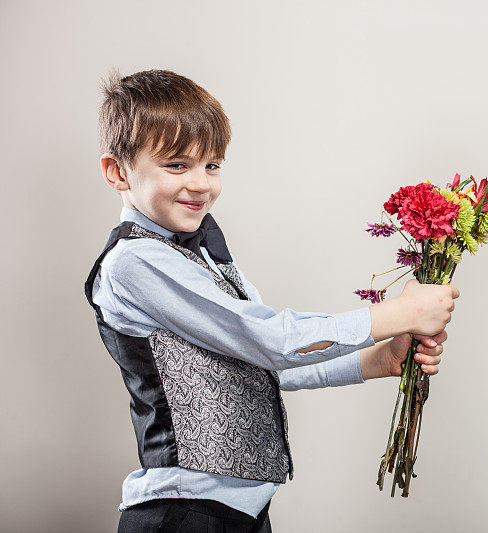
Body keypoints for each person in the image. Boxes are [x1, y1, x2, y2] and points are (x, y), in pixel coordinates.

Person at [85, 69, 459, 533]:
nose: (201, 183)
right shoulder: (134, 261)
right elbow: (270, 339)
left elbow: (265, 365)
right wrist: (393, 314)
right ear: (117, 171)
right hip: (185, 515)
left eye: (212, 165)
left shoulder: (200, 253)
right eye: (177, 165)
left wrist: (378, 359)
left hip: (239, 515)